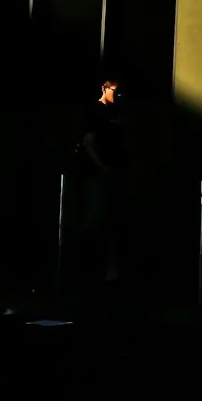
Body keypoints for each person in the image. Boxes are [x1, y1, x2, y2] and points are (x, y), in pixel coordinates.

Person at [78, 77, 125, 283]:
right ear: (104, 89)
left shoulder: (116, 112)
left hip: (113, 172)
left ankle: (109, 269)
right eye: (115, 91)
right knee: (95, 218)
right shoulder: (94, 111)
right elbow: (89, 142)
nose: (118, 95)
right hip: (98, 173)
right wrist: (101, 165)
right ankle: (86, 266)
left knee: (112, 221)